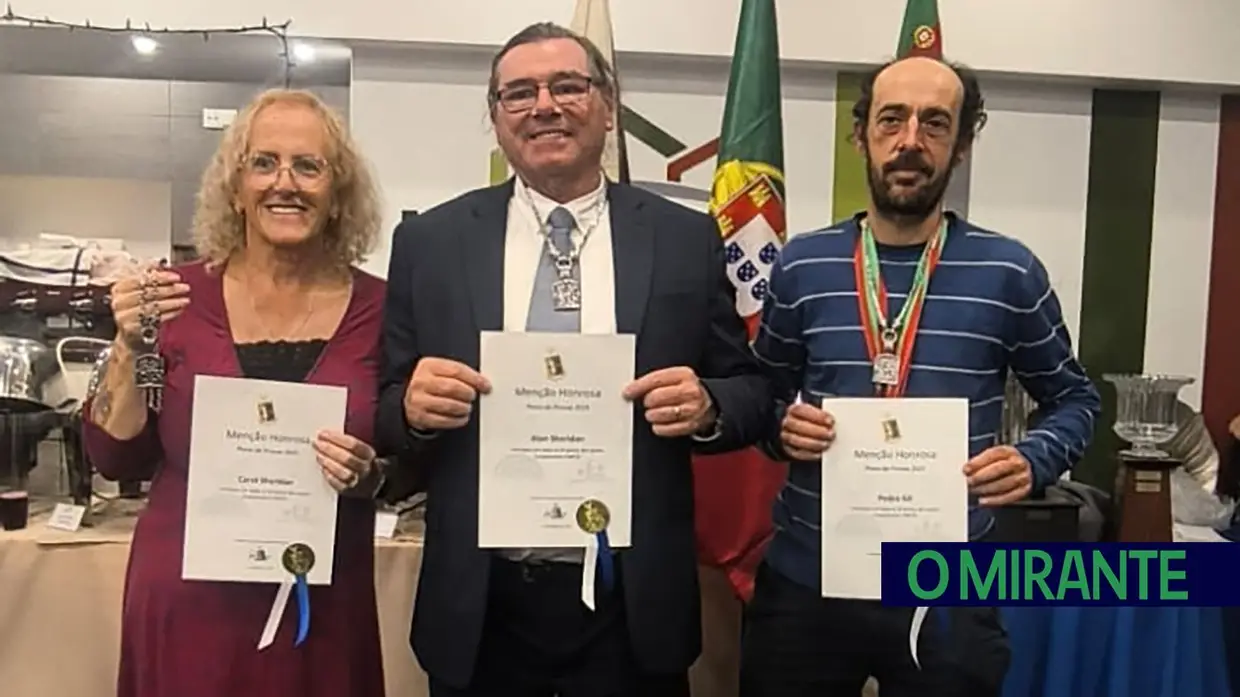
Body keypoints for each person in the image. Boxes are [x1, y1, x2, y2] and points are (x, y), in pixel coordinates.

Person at [376, 22, 772, 697]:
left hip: (631, 604)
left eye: (568, 86)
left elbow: (751, 391)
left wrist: (708, 406)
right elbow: (385, 406)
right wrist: (411, 409)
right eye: (519, 93)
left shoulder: (683, 237)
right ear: (496, 117)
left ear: (608, 106)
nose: (545, 106)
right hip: (482, 603)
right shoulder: (430, 242)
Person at [740, 56, 1102, 697]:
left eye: (935, 123)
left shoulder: (1009, 271)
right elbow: (760, 396)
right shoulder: (802, 265)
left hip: (949, 585)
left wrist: (1033, 458)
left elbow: (1074, 398)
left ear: (961, 145)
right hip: (809, 577)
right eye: (892, 120)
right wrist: (780, 427)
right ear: (861, 136)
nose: (910, 140)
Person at [82, 88, 389, 697]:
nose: (285, 183)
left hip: (321, 609)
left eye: (309, 166)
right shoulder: (171, 301)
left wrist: (370, 474)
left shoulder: (384, 311)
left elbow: (406, 461)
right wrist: (130, 346)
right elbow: (117, 457)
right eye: (264, 163)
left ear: (338, 194)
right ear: (235, 187)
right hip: (189, 608)